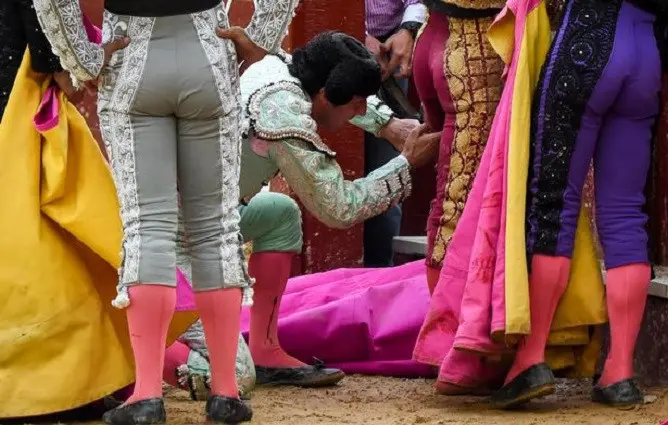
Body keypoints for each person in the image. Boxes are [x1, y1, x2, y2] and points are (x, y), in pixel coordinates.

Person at [32, 0, 299, 424]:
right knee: (216, 228)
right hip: (207, 52)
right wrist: (262, 37)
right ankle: (226, 392)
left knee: (147, 228)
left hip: (130, 54)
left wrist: (80, 57)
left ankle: (147, 394)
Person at [164, 29, 440, 397]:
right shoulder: (282, 114)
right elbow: (340, 208)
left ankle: (265, 349)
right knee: (233, 378)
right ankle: (133, 354)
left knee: (279, 212)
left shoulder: (279, 64)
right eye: (357, 102)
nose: (360, 109)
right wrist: (405, 165)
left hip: (213, 223)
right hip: (171, 247)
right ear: (325, 94)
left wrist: (387, 125)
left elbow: (332, 95)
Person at [0, 2, 197, 419]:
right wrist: (76, 63)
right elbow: (48, 30)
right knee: (38, 245)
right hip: (12, 100)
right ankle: (53, 387)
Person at [491, 0, 662, 408]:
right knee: (625, 214)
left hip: (585, 41)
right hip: (647, 48)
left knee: (554, 205)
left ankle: (530, 358)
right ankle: (619, 372)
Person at [413, 0, 506, 294]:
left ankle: (442, 321)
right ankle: (445, 327)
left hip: (431, 31)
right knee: (459, 203)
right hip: (472, 45)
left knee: (449, 195)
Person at [363, 0, 427, 267]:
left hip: (389, 52)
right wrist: (354, 34)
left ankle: (379, 275)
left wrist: (408, 31)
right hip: (332, 39)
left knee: (388, 176)